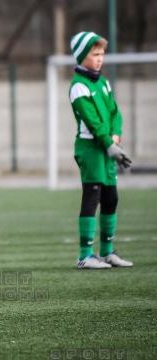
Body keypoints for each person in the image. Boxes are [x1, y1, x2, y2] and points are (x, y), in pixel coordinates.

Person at [69, 31, 133, 269]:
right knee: (92, 197)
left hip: (106, 147)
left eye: (101, 54)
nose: (99, 59)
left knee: (111, 198)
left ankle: (106, 252)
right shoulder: (78, 86)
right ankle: (85, 256)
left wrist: (115, 136)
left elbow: (115, 112)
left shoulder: (103, 82)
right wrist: (108, 144)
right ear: (82, 55)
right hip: (91, 149)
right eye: (95, 54)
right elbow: (93, 121)